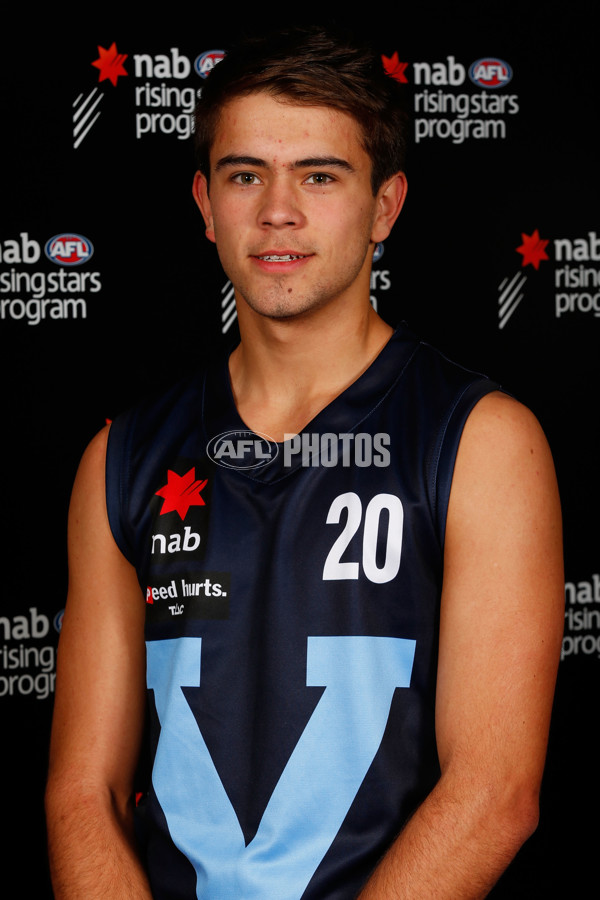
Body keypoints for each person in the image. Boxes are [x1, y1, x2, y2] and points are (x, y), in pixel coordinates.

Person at [45, 26, 564, 900]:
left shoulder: (482, 441)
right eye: (246, 175)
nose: (277, 210)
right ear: (207, 205)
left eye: (320, 176)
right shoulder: (121, 456)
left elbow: (493, 795)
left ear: (386, 205)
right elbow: (81, 794)